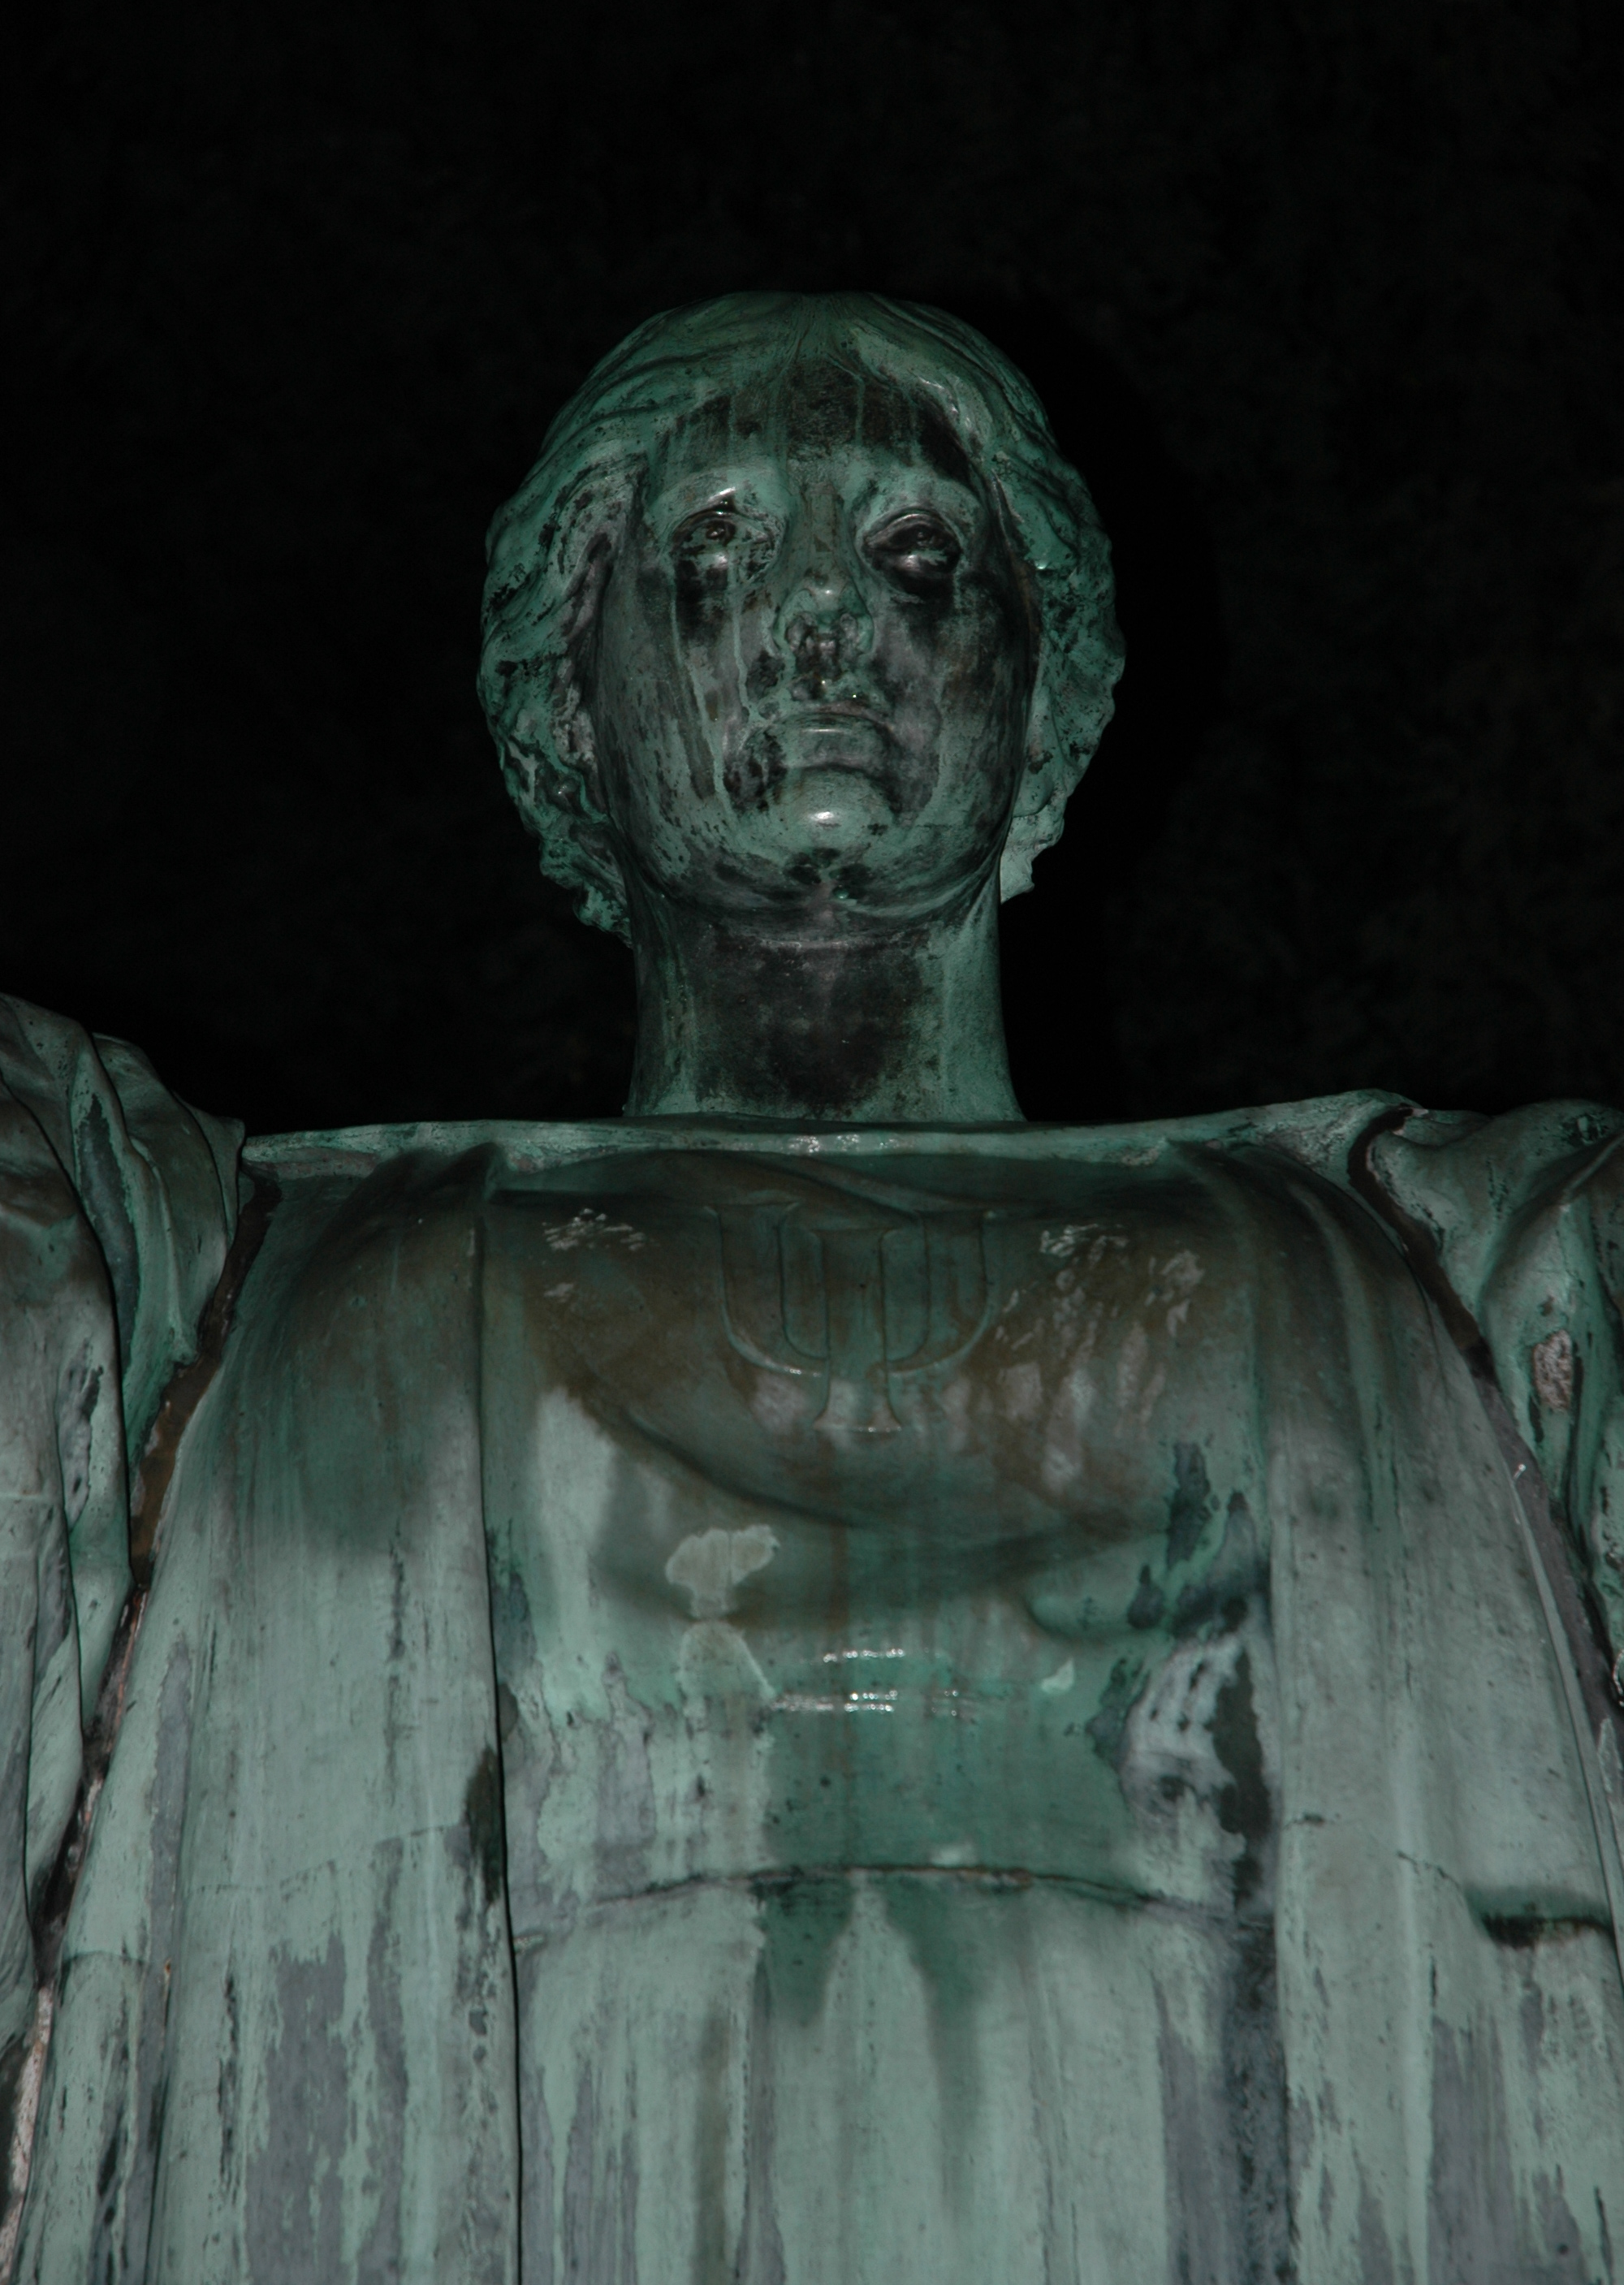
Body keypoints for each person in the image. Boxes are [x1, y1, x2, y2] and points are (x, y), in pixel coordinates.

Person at [2, 292, 1621, 2283]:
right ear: (569, 703)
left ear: (1047, 687)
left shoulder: (1438, 1268)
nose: (826, 617)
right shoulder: (233, 1281)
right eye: (718, 547)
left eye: (917, 552)